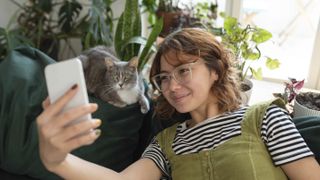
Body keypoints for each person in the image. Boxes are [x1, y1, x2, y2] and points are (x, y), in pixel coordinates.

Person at [37, 28, 320, 180]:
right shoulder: (165, 143)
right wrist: (56, 160)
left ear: (215, 70)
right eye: (163, 77)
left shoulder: (266, 117)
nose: (171, 86)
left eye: (184, 70)